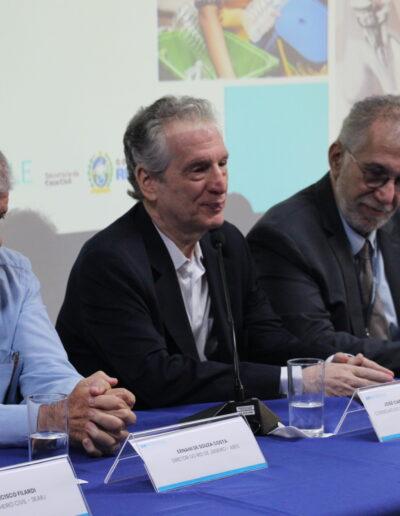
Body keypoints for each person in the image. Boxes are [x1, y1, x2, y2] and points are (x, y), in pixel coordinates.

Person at [56, 95, 393, 409]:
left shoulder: (225, 242)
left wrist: (326, 364)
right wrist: (295, 380)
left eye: (223, 163)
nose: (220, 184)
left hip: (210, 427)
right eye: (199, 169)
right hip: (132, 434)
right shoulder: (110, 262)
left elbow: (266, 338)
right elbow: (157, 378)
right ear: (148, 182)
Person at [247, 94, 400, 374]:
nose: (388, 196)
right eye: (375, 173)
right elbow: (317, 345)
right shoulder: (283, 238)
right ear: (337, 158)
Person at [0, 151, 136, 453]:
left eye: (0, 217)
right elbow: (53, 414)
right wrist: (48, 418)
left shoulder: (15, 276)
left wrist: (89, 402)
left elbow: (49, 373)